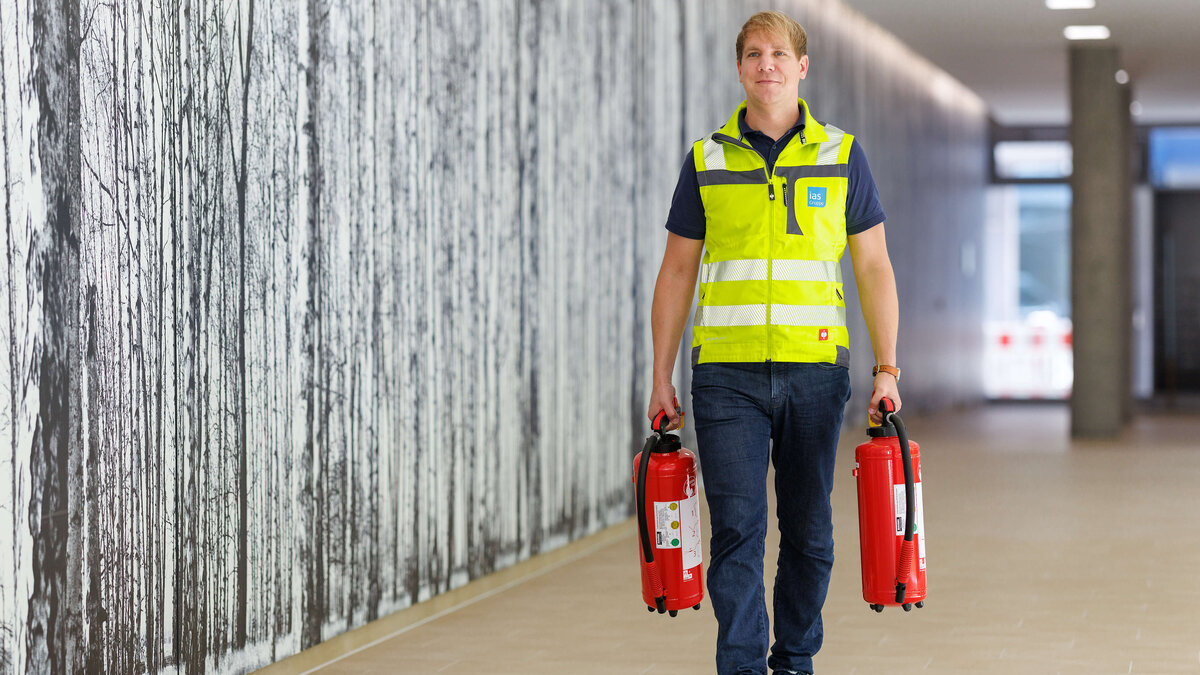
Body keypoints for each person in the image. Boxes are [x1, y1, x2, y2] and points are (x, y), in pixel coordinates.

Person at [646, 10, 902, 675]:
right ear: (739, 68)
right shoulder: (706, 159)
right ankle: (740, 667)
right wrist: (660, 376)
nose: (767, 64)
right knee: (737, 530)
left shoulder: (841, 156)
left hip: (815, 372)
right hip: (725, 376)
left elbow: (873, 266)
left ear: (801, 66)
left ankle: (793, 659)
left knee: (811, 535)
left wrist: (887, 368)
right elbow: (677, 271)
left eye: (779, 53)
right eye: (754, 53)